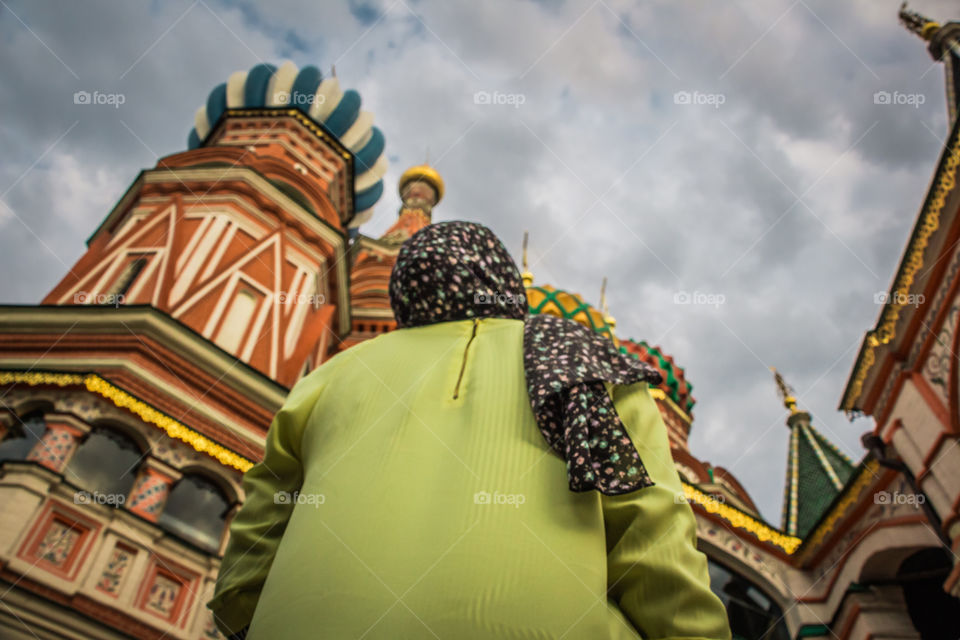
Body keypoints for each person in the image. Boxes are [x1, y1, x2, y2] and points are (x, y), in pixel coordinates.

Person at [208, 221, 731, 639]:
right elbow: (651, 529)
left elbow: (258, 530)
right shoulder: (584, 361)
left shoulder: (327, 379)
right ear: (501, 278)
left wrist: (247, 619)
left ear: (406, 292)